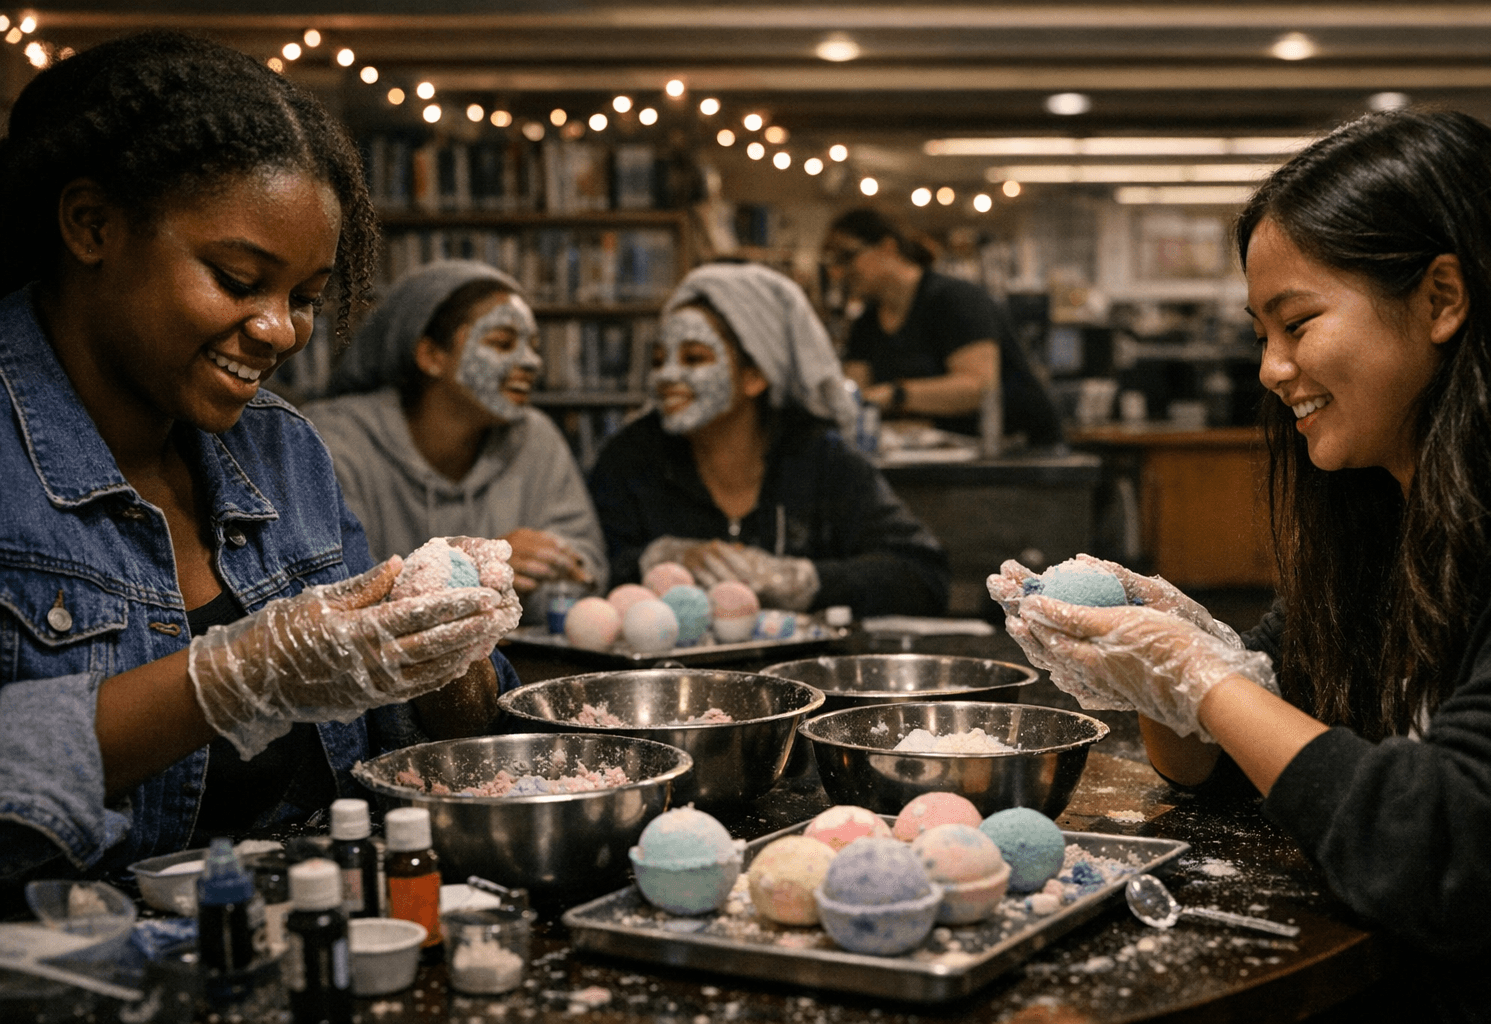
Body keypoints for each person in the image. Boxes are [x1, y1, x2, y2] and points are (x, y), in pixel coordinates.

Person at [991, 109, 1491, 1022]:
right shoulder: (1385, 509)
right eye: (1260, 333)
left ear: (1443, 299)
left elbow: (1447, 851)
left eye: (1299, 322)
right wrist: (1163, 682)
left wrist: (1206, 680)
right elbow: (1250, 769)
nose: (1272, 369)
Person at [0, 33, 522, 887]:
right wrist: (232, 678)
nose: (280, 330)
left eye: (305, 299)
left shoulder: (280, 451)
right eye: (239, 279)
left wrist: (446, 654)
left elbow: (407, 746)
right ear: (91, 225)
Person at [588, 262, 949, 617]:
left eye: (694, 357)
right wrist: (655, 560)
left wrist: (801, 581)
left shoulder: (818, 458)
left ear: (755, 376)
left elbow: (923, 575)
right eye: (658, 359)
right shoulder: (629, 459)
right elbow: (588, 571)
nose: (667, 376)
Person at [306, 260, 608, 607]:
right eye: (502, 343)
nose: (532, 362)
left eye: (533, 347)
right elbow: (337, 596)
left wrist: (543, 577)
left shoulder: (535, 437)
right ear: (431, 355)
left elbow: (588, 568)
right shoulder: (334, 441)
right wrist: (477, 570)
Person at [825, 207, 1063, 445]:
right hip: (931, 456)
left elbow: (978, 387)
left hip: (1018, 455)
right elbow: (858, 395)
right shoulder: (866, 321)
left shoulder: (955, 299)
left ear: (887, 247)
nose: (838, 272)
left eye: (847, 257)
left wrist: (895, 395)